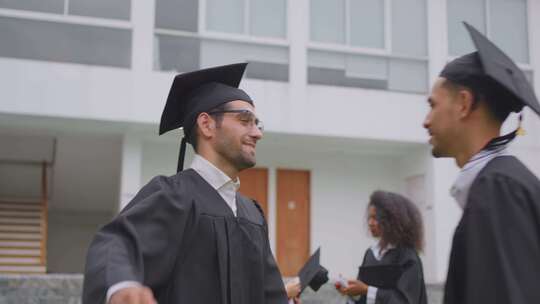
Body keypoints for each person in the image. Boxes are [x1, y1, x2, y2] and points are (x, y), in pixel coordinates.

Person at [82, 63, 288, 304]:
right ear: (206, 124)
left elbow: (271, 295)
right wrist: (122, 286)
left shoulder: (252, 213)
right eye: (245, 121)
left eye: (257, 124)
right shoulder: (173, 196)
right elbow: (117, 242)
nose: (257, 133)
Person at [423, 23, 540, 304]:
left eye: (433, 105)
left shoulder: (499, 189)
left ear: (463, 104)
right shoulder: (502, 182)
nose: (426, 121)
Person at [338, 191, 427, 304]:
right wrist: (351, 292)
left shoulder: (407, 257)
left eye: (376, 218)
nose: (370, 223)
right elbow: (362, 297)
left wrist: (367, 290)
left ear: (393, 220)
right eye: (369, 218)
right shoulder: (371, 254)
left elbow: (404, 301)